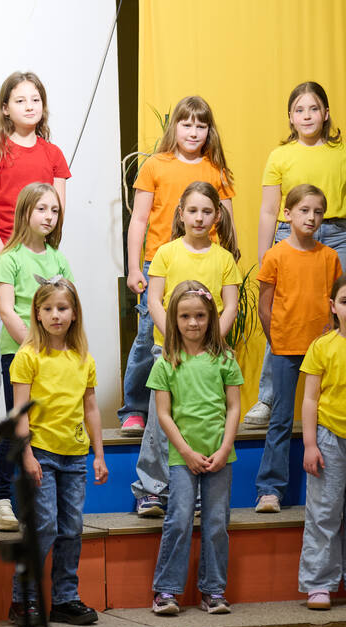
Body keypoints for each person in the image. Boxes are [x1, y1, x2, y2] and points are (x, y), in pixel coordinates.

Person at [0, 71, 70, 437]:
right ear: (6, 108)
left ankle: (35, 411)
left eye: (35, 99)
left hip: (36, 256)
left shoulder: (53, 155)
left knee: (37, 329)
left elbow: (58, 208)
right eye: (20, 100)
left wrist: (41, 254)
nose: (29, 106)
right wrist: (3, 254)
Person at [121, 96, 235, 435]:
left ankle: (190, 406)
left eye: (201, 125)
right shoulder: (155, 165)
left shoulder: (215, 169)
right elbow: (139, 219)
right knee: (149, 336)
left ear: (209, 130)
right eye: (186, 124)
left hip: (202, 262)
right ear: (175, 127)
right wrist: (134, 267)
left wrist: (230, 256)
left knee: (201, 334)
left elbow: (227, 219)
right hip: (159, 263)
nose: (193, 131)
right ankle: (134, 408)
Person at [133, 181, 241, 518]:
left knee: (202, 418)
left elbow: (231, 305)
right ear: (181, 214)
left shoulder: (224, 259)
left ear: (217, 216)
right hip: (169, 351)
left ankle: (195, 490)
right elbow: (154, 300)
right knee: (159, 420)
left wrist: (210, 343)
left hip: (210, 356)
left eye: (206, 211)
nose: (199, 217)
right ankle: (151, 489)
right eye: (192, 210)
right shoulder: (166, 253)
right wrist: (177, 341)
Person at [8, 278, 107, 627]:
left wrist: (98, 453)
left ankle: (65, 599)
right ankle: (23, 599)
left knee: (72, 528)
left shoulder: (83, 359)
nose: (55, 315)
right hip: (41, 454)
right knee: (44, 525)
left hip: (75, 456)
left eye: (62, 308)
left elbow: (91, 408)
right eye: (48, 309)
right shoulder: (27, 357)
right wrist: (27, 455)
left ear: (74, 313)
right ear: (37, 314)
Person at [248, 82, 346, 428]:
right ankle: (269, 397)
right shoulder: (280, 156)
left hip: (337, 236)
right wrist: (265, 253)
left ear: (326, 114)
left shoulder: (340, 153)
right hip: (288, 238)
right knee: (282, 317)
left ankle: (336, 394)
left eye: (313, 108)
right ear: (290, 117)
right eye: (299, 110)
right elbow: (268, 210)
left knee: (338, 314)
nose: (307, 116)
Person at [148, 281, 242, 616]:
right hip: (182, 457)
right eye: (185, 316)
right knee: (179, 520)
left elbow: (234, 407)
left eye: (200, 315)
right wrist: (186, 452)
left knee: (216, 523)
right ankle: (166, 591)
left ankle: (213, 590)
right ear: (174, 320)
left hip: (220, 456)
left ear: (211, 318)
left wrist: (225, 448)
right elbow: (163, 414)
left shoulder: (225, 359)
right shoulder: (166, 362)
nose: (193, 323)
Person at [0, 182, 73, 532]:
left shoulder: (58, 259)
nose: (49, 216)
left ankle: (38, 499)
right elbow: (7, 311)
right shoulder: (9, 258)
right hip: (19, 355)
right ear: (25, 212)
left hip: (56, 358)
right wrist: (36, 348)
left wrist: (59, 351)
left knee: (44, 425)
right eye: (41, 209)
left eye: (55, 210)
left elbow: (70, 305)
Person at [255, 185, 342, 513]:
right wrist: (276, 339)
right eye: (304, 210)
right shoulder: (275, 255)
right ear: (288, 214)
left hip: (322, 351)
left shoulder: (329, 257)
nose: (311, 217)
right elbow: (265, 304)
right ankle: (270, 490)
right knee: (280, 418)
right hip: (285, 348)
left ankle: (327, 488)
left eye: (318, 212)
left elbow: (335, 306)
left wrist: (330, 341)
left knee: (324, 417)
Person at [298, 275, 346, 610]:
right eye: (345, 302)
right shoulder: (322, 346)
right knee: (324, 512)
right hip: (329, 438)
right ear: (333, 306)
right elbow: (310, 399)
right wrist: (310, 444)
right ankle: (319, 583)